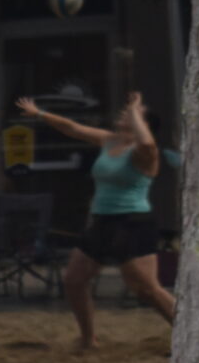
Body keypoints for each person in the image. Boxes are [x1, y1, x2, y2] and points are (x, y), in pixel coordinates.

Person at [15, 89, 177, 348]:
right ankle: (88, 339)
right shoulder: (110, 140)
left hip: (133, 223)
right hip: (102, 222)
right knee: (74, 281)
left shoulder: (146, 153)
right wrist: (40, 113)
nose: (124, 113)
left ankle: (191, 334)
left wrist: (135, 110)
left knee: (147, 289)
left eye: (131, 114)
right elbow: (73, 128)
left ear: (142, 123)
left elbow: (147, 143)